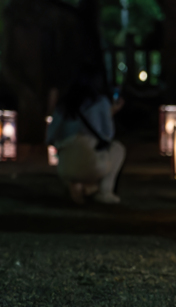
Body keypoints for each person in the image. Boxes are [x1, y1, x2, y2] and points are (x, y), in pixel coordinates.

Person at [46, 68, 126, 205]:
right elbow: (108, 136)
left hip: (65, 166)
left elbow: (50, 137)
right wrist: (110, 113)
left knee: (78, 159)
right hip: (91, 164)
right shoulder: (101, 103)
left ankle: (78, 186)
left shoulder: (64, 106)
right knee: (117, 149)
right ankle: (104, 191)